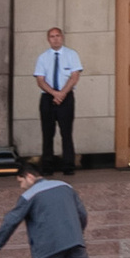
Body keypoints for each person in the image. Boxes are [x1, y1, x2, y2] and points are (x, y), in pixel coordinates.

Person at [32, 30, 81, 172]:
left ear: (62, 37)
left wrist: (62, 93)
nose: (55, 39)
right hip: (48, 97)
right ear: (48, 39)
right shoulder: (43, 57)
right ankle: (47, 165)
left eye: (57, 36)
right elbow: (40, 80)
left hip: (66, 97)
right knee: (47, 133)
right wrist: (54, 93)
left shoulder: (71, 54)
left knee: (66, 132)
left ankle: (68, 165)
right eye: (52, 37)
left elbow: (74, 76)